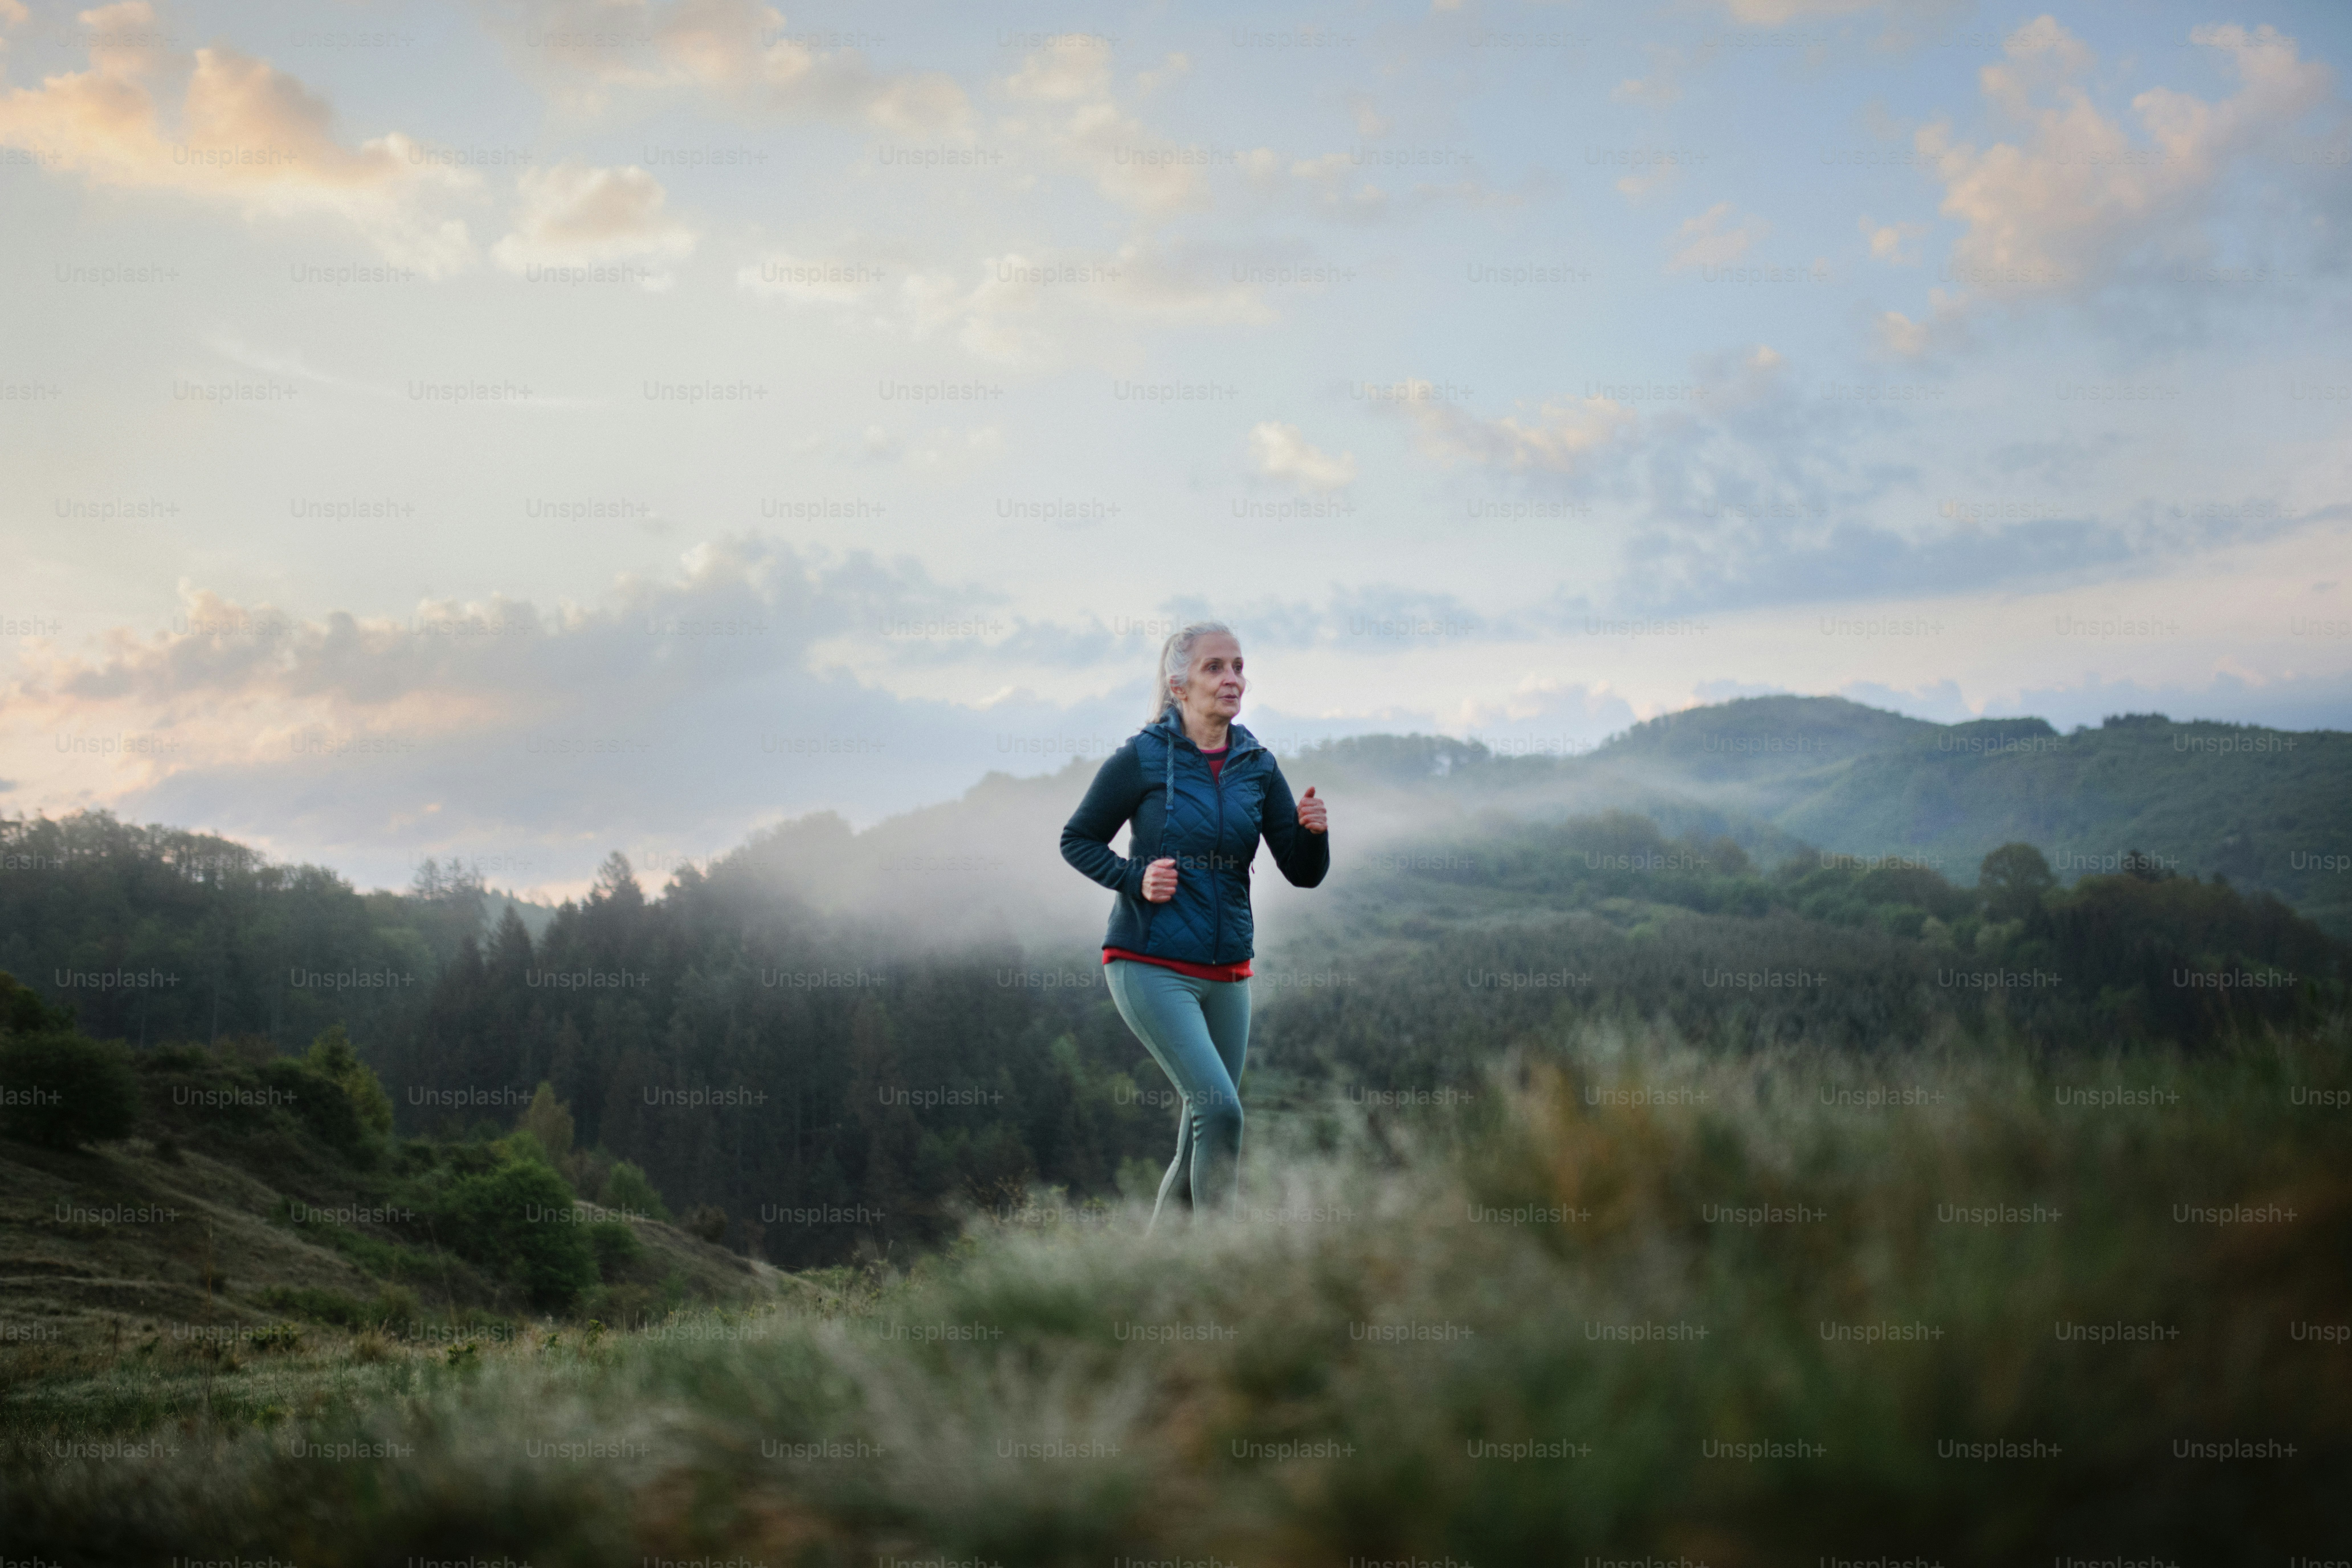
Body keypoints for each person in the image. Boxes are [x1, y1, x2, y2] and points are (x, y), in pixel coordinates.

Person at [1059, 620, 1329, 1227]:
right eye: (1215, 667)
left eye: (1238, 666)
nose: (1232, 678)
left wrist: (1314, 834)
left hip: (1229, 971)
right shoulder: (1141, 759)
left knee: (1197, 1142)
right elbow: (1077, 840)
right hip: (1149, 963)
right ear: (1178, 684)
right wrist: (1135, 877)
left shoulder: (1257, 765)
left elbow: (1302, 871)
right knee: (1222, 1113)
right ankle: (1221, 1268)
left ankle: (1159, 1286)